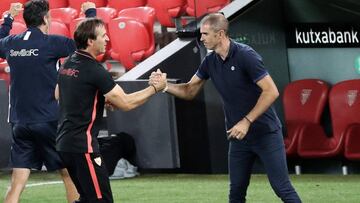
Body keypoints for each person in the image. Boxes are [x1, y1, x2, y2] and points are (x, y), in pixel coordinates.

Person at [150, 13, 302, 203]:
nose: (201, 38)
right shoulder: (209, 61)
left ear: (220, 34)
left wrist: (246, 122)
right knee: (236, 192)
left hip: (266, 134)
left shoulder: (246, 55)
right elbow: (189, 90)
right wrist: (164, 86)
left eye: (205, 34)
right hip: (238, 138)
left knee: (282, 188)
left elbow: (271, 92)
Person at [55, 18, 166, 203]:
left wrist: (96, 99)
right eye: (103, 36)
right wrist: (155, 88)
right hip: (84, 147)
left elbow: (59, 94)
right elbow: (127, 103)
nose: (107, 39)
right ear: (91, 41)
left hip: (64, 145)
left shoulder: (68, 63)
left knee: (87, 199)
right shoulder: (95, 70)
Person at [0, 1, 97, 202]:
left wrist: (8, 18)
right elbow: (88, 42)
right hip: (48, 120)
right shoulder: (52, 43)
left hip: (19, 122)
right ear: (46, 18)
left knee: (18, 180)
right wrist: (90, 13)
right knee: (69, 174)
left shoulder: (12, 43)